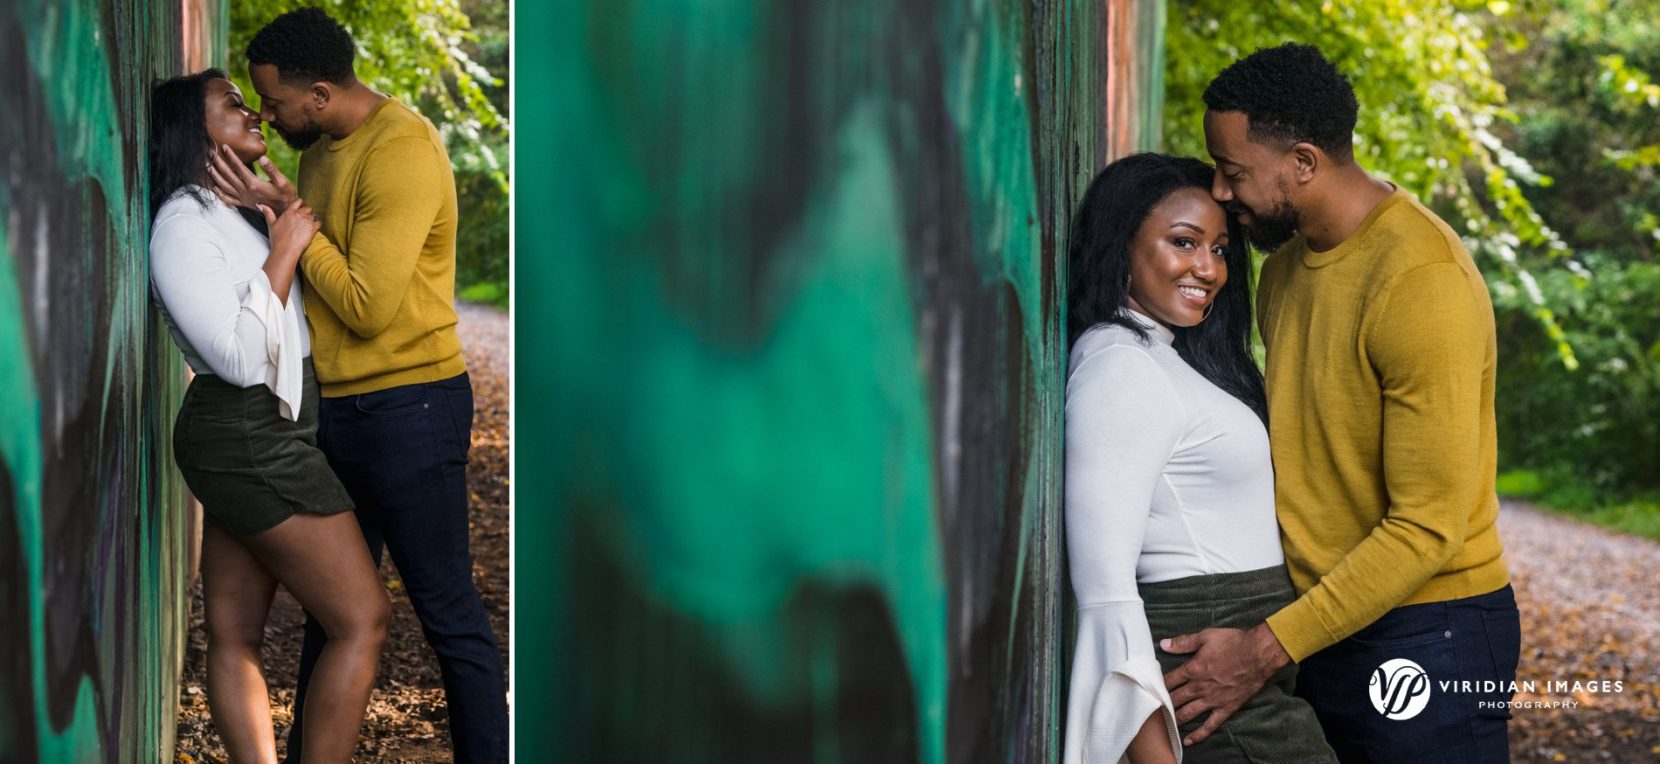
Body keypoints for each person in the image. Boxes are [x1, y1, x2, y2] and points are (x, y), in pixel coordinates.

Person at [1158, 43, 1519, 763]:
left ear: (1302, 162)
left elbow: (1427, 525)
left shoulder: (1422, 282)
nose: (1223, 194)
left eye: (1234, 174)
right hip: (1323, 622)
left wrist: (1263, 651)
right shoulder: (1283, 271)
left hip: (1429, 630)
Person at [210, 8, 508, 762]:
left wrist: (288, 222)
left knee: (448, 615)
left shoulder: (401, 149)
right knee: (335, 610)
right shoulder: (321, 149)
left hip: (411, 406)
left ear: (318, 92)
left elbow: (368, 307)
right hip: (336, 410)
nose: (268, 118)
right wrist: (283, 218)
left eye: (274, 103)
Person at [148, 69, 391, 763]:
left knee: (234, 632)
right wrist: (284, 247)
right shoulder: (181, 225)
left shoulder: (228, 212)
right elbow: (233, 354)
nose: (253, 113)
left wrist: (275, 218)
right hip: (248, 431)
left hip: (258, 432)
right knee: (364, 619)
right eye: (232, 105)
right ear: (194, 133)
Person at [1062, 153, 1337, 763]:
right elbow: (1106, 597)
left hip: (1242, 670)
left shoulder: (1163, 354)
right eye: (1183, 242)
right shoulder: (1120, 366)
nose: (1208, 269)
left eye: (1218, 250)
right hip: (1207, 668)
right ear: (1121, 245)